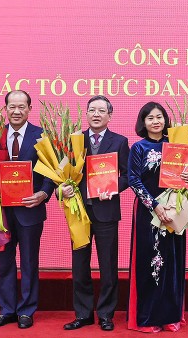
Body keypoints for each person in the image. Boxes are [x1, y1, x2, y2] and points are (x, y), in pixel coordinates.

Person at [127, 102, 188, 332]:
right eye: (150, 118)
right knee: (150, 263)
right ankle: (148, 318)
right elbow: (133, 180)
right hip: (148, 212)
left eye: (159, 117)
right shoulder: (138, 148)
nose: (155, 121)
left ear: (165, 120)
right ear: (143, 122)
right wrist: (155, 205)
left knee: (172, 262)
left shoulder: (177, 145)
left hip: (174, 210)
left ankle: (170, 315)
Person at [0, 90, 54, 329]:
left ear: (29, 109)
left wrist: (43, 194)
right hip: (1, 212)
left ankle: (26, 310)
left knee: (29, 261)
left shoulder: (41, 135)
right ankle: (7, 310)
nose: (16, 111)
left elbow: (51, 171)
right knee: (4, 261)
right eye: (12, 107)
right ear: (5, 109)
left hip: (30, 210)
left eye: (21, 107)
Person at [61, 95, 129, 332]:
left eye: (101, 110)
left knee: (108, 266)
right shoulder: (74, 140)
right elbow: (63, 173)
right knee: (79, 265)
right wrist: (63, 187)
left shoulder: (120, 141)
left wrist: (113, 188)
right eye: (92, 110)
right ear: (86, 114)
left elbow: (128, 175)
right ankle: (83, 314)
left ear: (110, 115)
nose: (96, 114)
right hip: (79, 210)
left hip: (106, 211)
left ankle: (106, 314)